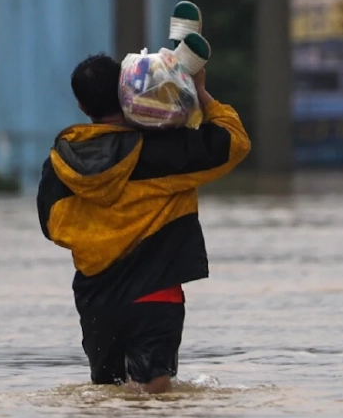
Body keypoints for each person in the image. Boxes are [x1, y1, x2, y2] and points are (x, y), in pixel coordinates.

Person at [37, 47, 250, 393]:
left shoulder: (61, 162)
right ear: (128, 90)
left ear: (82, 107)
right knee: (157, 394)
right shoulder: (162, 151)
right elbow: (235, 142)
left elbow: (52, 227)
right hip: (156, 293)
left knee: (109, 397)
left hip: (97, 300)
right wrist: (200, 93)